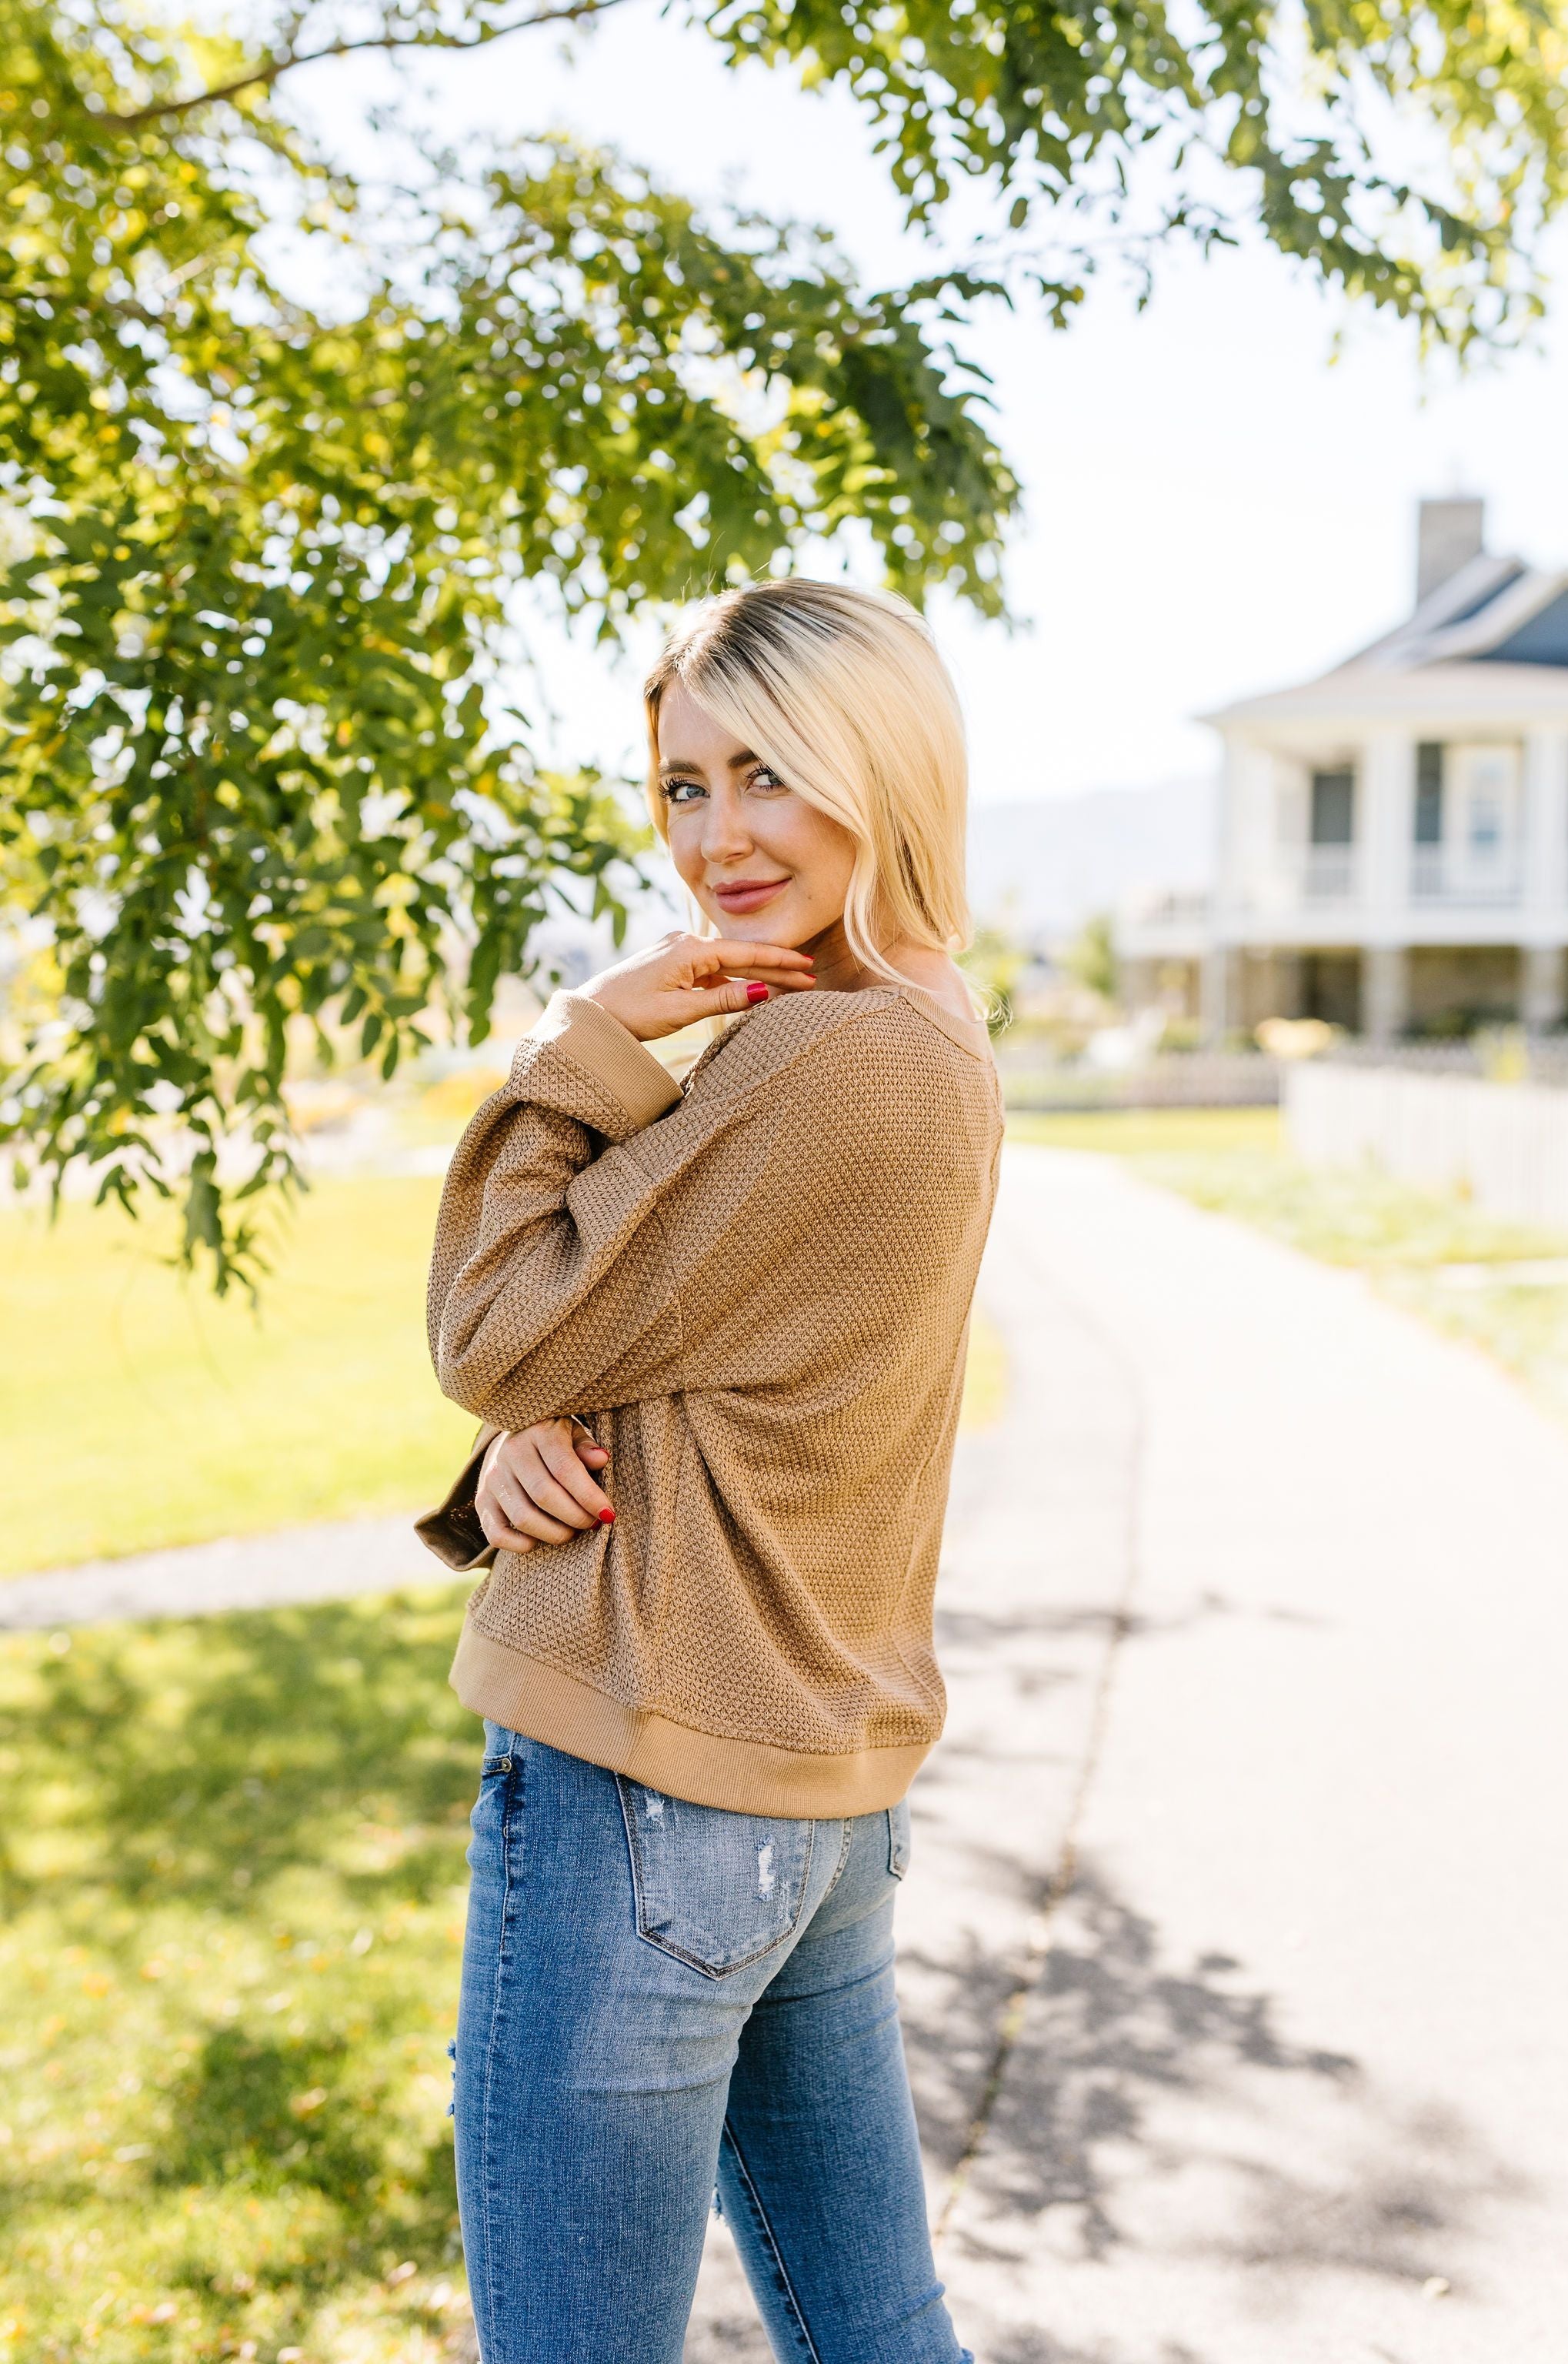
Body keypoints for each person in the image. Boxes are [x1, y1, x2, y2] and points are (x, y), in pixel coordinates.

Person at [415, 576, 1003, 2363]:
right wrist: (524, 1444)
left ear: (881, 767)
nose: (718, 838)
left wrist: (579, 1041)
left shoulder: (821, 1058)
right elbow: (648, 1341)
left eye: (771, 774)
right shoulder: (926, 1024)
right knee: (875, 2329)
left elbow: (499, 1325)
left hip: (649, 1785)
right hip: (805, 1793)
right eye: (683, 784)